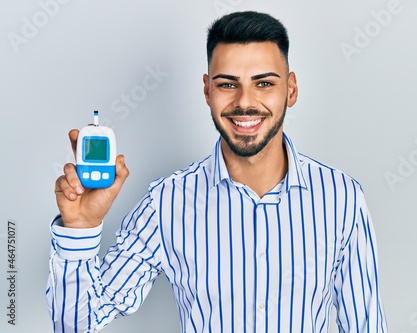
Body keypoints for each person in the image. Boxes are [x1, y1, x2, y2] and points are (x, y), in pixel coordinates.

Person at [47, 11, 388, 333]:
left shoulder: (342, 198)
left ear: (291, 89)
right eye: (228, 84)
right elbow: (77, 324)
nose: (244, 102)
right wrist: (81, 228)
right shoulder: (166, 203)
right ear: (208, 90)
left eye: (264, 83)